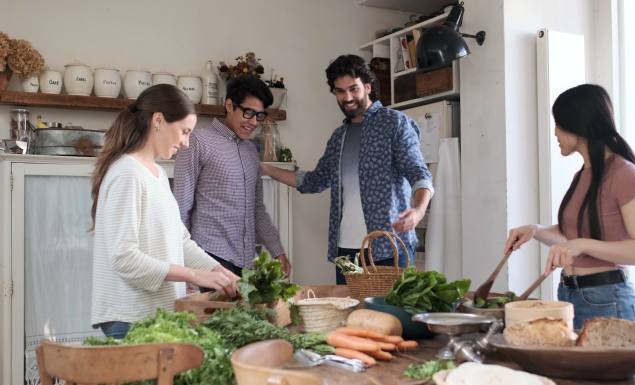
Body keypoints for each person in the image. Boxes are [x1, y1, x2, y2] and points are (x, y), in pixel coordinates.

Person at [261, 54, 433, 284]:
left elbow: (419, 173)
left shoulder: (395, 124)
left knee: (390, 317)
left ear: (368, 87)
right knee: (349, 314)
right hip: (345, 251)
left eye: (353, 89)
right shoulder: (338, 137)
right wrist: (265, 168)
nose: (348, 97)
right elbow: (313, 181)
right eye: (340, 91)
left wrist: (419, 210)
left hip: (389, 248)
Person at [90, 84, 239, 339]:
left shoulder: (156, 174)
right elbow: (124, 259)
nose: (186, 143)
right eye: (184, 131)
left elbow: (181, 243)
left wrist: (220, 273)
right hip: (130, 317)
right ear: (158, 120)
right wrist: (193, 275)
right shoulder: (127, 173)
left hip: (154, 315)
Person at [504, 84, 635, 329]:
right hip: (570, 297)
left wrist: (581, 245)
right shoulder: (584, 174)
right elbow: (572, 236)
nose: (555, 132)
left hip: (609, 302)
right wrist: (535, 230)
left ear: (579, 125)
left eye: (559, 124)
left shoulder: (626, 175)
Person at [173, 75, 290, 280]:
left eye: (259, 116)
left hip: (247, 264)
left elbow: (257, 209)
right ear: (229, 105)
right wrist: (184, 267)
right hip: (208, 260)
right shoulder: (198, 142)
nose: (253, 122)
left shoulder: (251, 151)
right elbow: (181, 208)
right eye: (248, 113)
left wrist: (277, 250)